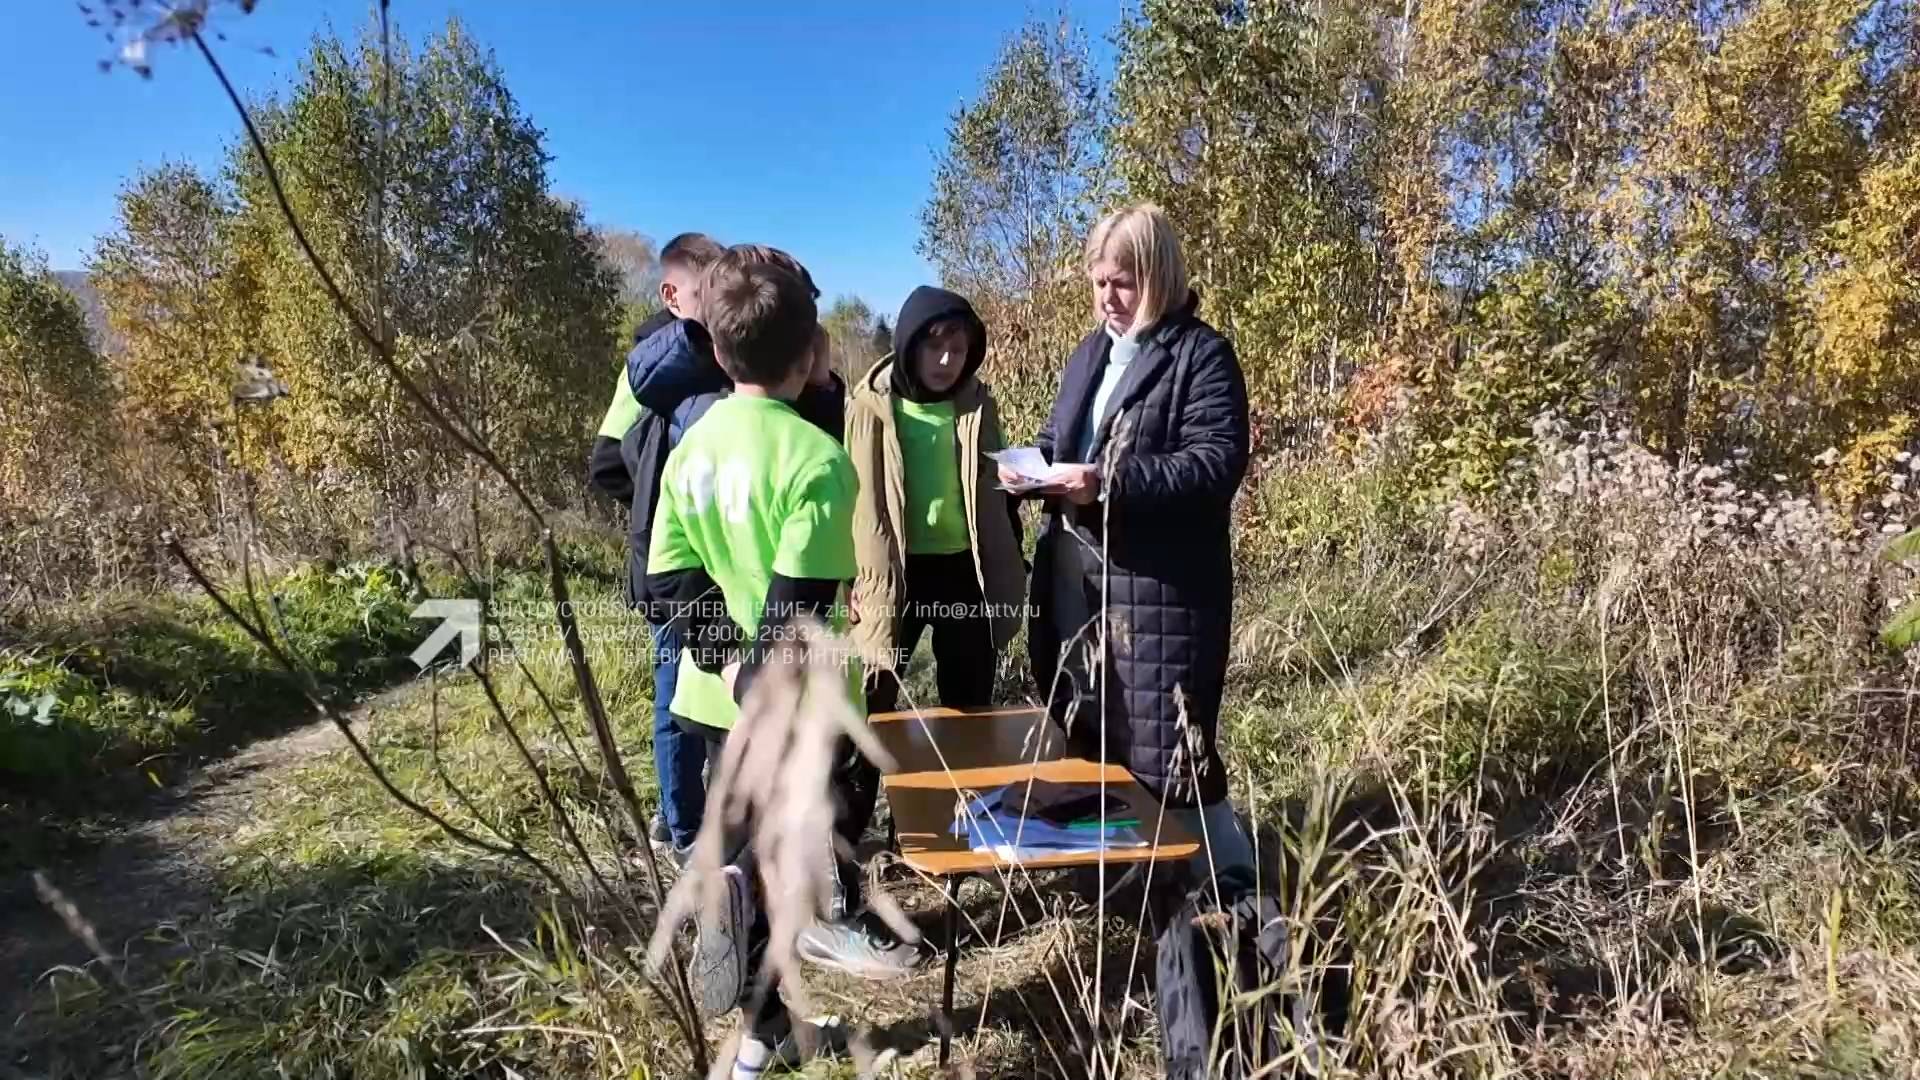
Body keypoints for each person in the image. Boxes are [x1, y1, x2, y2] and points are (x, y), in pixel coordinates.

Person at [631, 244, 920, 981]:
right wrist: (753, 674)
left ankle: (735, 926)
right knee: (794, 839)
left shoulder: (692, 448)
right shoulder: (819, 463)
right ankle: (776, 957)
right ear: (811, 353)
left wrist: (725, 662)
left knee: (738, 830)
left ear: (721, 353)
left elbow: (669, 577)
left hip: (710, 695)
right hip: (790, 704)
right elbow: (795, 613)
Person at [1008, 203, 1258, 878]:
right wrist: (1031, 467)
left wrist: (1110, 482)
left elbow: (1215, 463)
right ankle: (1124, 875)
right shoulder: (1092, 351)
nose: (1107, 299)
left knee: (1172, 748)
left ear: (1159, 276)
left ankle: (1229, 884)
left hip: (1160, 586)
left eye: (1122, 283)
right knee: (1092, 727)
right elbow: (1067, 442)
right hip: (1077, 578)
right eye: (1098, 283)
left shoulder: (1200, 354)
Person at [838, 286, 1025, 860]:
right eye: (936, 348)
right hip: (891, 576)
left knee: (968, 704)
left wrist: (1015, 493)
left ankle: (958, 828)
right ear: (910, 345)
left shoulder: (976, 404)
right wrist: (846, 582)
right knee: (871, 703)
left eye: (960, 348)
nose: (948, 361)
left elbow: (994, 489)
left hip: (963, 571)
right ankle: (847, 841)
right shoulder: (866, 406)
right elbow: (847, 498)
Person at [589, 232, 728, 863]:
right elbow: (607, 463)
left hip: (728, 559)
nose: (722, 304)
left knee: (717, 689)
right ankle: (681, 827)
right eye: (708, 293)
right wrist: (664, 506)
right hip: (672, 564)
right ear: (673, 296)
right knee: (677, 692)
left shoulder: (728, 355)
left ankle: (711, 817)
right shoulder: (647, 362)